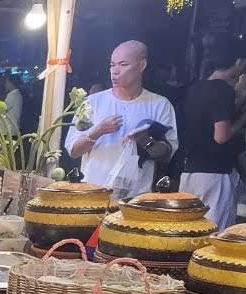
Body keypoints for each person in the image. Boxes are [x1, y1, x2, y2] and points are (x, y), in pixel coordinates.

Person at [65, 41, 178, 198]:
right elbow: (73, 151)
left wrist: (145, 141)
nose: (115, 71)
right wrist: (98, 130)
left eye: (123, 64)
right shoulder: (92, 102)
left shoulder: (159, 105)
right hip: (92, 192)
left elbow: (167, 155)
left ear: (142, 65)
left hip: (135, 196)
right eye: (112, 65)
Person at [182, 49, 246, 230]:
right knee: (213, 232)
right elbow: (221, 136)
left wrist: (239, 100)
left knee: (187, 230)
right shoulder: (223, 90)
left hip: (190, 170)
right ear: (238, 61)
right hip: (215, 174)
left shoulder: (194, 88)